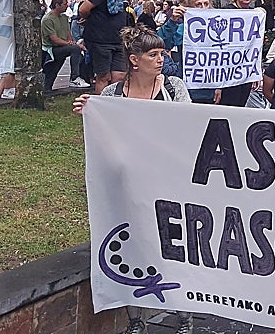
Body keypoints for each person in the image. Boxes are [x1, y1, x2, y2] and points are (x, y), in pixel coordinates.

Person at [72, 26, 192, 334]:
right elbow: (104, 136)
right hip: (126, 185)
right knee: (130, 247)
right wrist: (89, 112)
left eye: (162, 53)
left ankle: (184, 316)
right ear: (134, 60)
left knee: (171, 247)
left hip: (167, 183)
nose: (161, 59)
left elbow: (187, 126)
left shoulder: (174, 87)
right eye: (153, 54)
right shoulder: (112, 95)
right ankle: (135, 320)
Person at [77, 0, 135, 94]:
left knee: (120, 76)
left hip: (119, 39)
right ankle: (101, 104)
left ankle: (114, 103)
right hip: (100, 40)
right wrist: (88, 19)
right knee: (103, 77)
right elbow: (83, 9)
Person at [40, 0, 87, 93]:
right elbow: (55, 39)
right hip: (51, 49)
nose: (67, 6)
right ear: (57, 5)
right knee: (75, 49)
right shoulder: (48, 19)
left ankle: (47, 90)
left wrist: (71, 42)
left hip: (62, 47)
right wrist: (71, 45)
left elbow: (68, 34)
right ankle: (74, 78)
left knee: (53, 73)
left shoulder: (64, 18)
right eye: (65, 4)